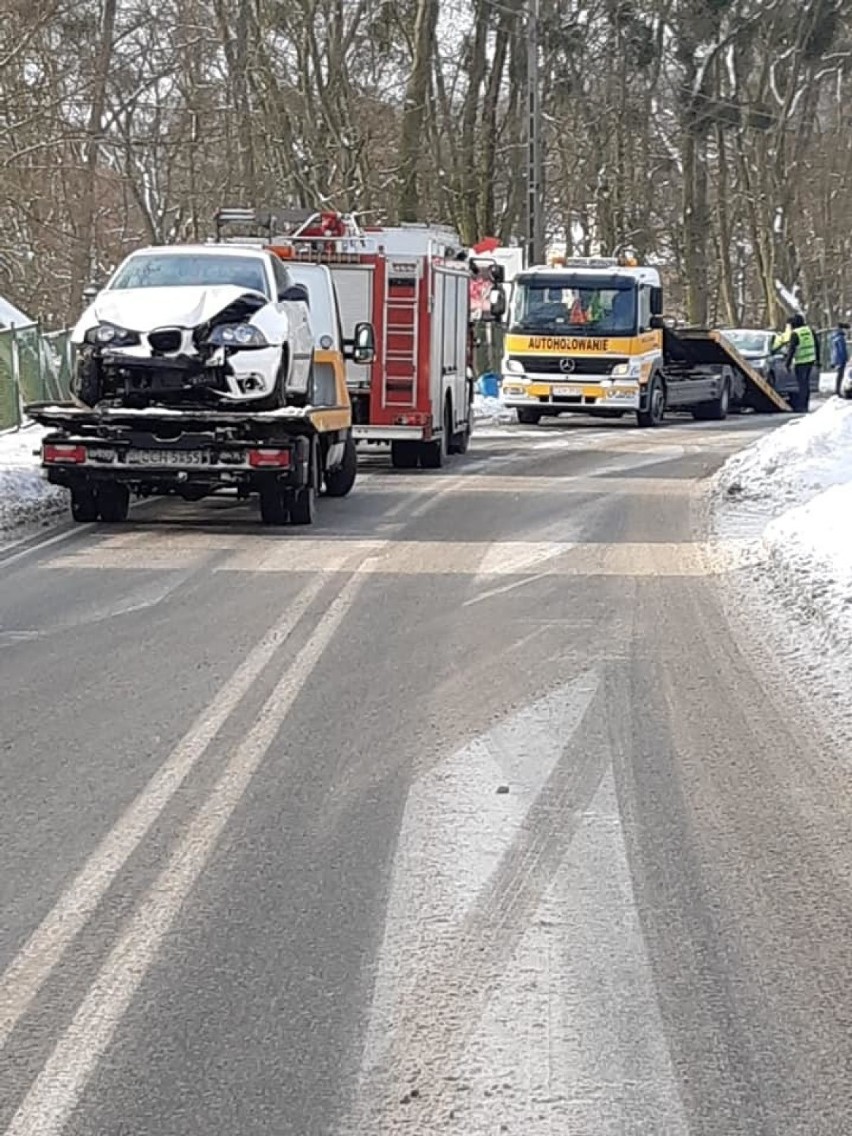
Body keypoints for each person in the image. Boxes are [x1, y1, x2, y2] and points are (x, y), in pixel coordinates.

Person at [782, 312, 819, 412]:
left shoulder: (795, 333)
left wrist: (787, 364)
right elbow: (817, 345)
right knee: (805, 384)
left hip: (801, 362)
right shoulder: (810, 330)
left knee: (802, 385)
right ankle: (805, 404)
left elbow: (791, 350)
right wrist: (818, 360)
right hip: (810, 360)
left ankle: (801, 406)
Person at [830, 321, 849, 396]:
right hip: (840, 359)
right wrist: (845, 358)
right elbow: (842, 350)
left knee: (839, 374)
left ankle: (837, 389)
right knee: (840, 375)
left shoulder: (834, 336)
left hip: (836, 358)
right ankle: (837, 390)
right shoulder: (840, 338)